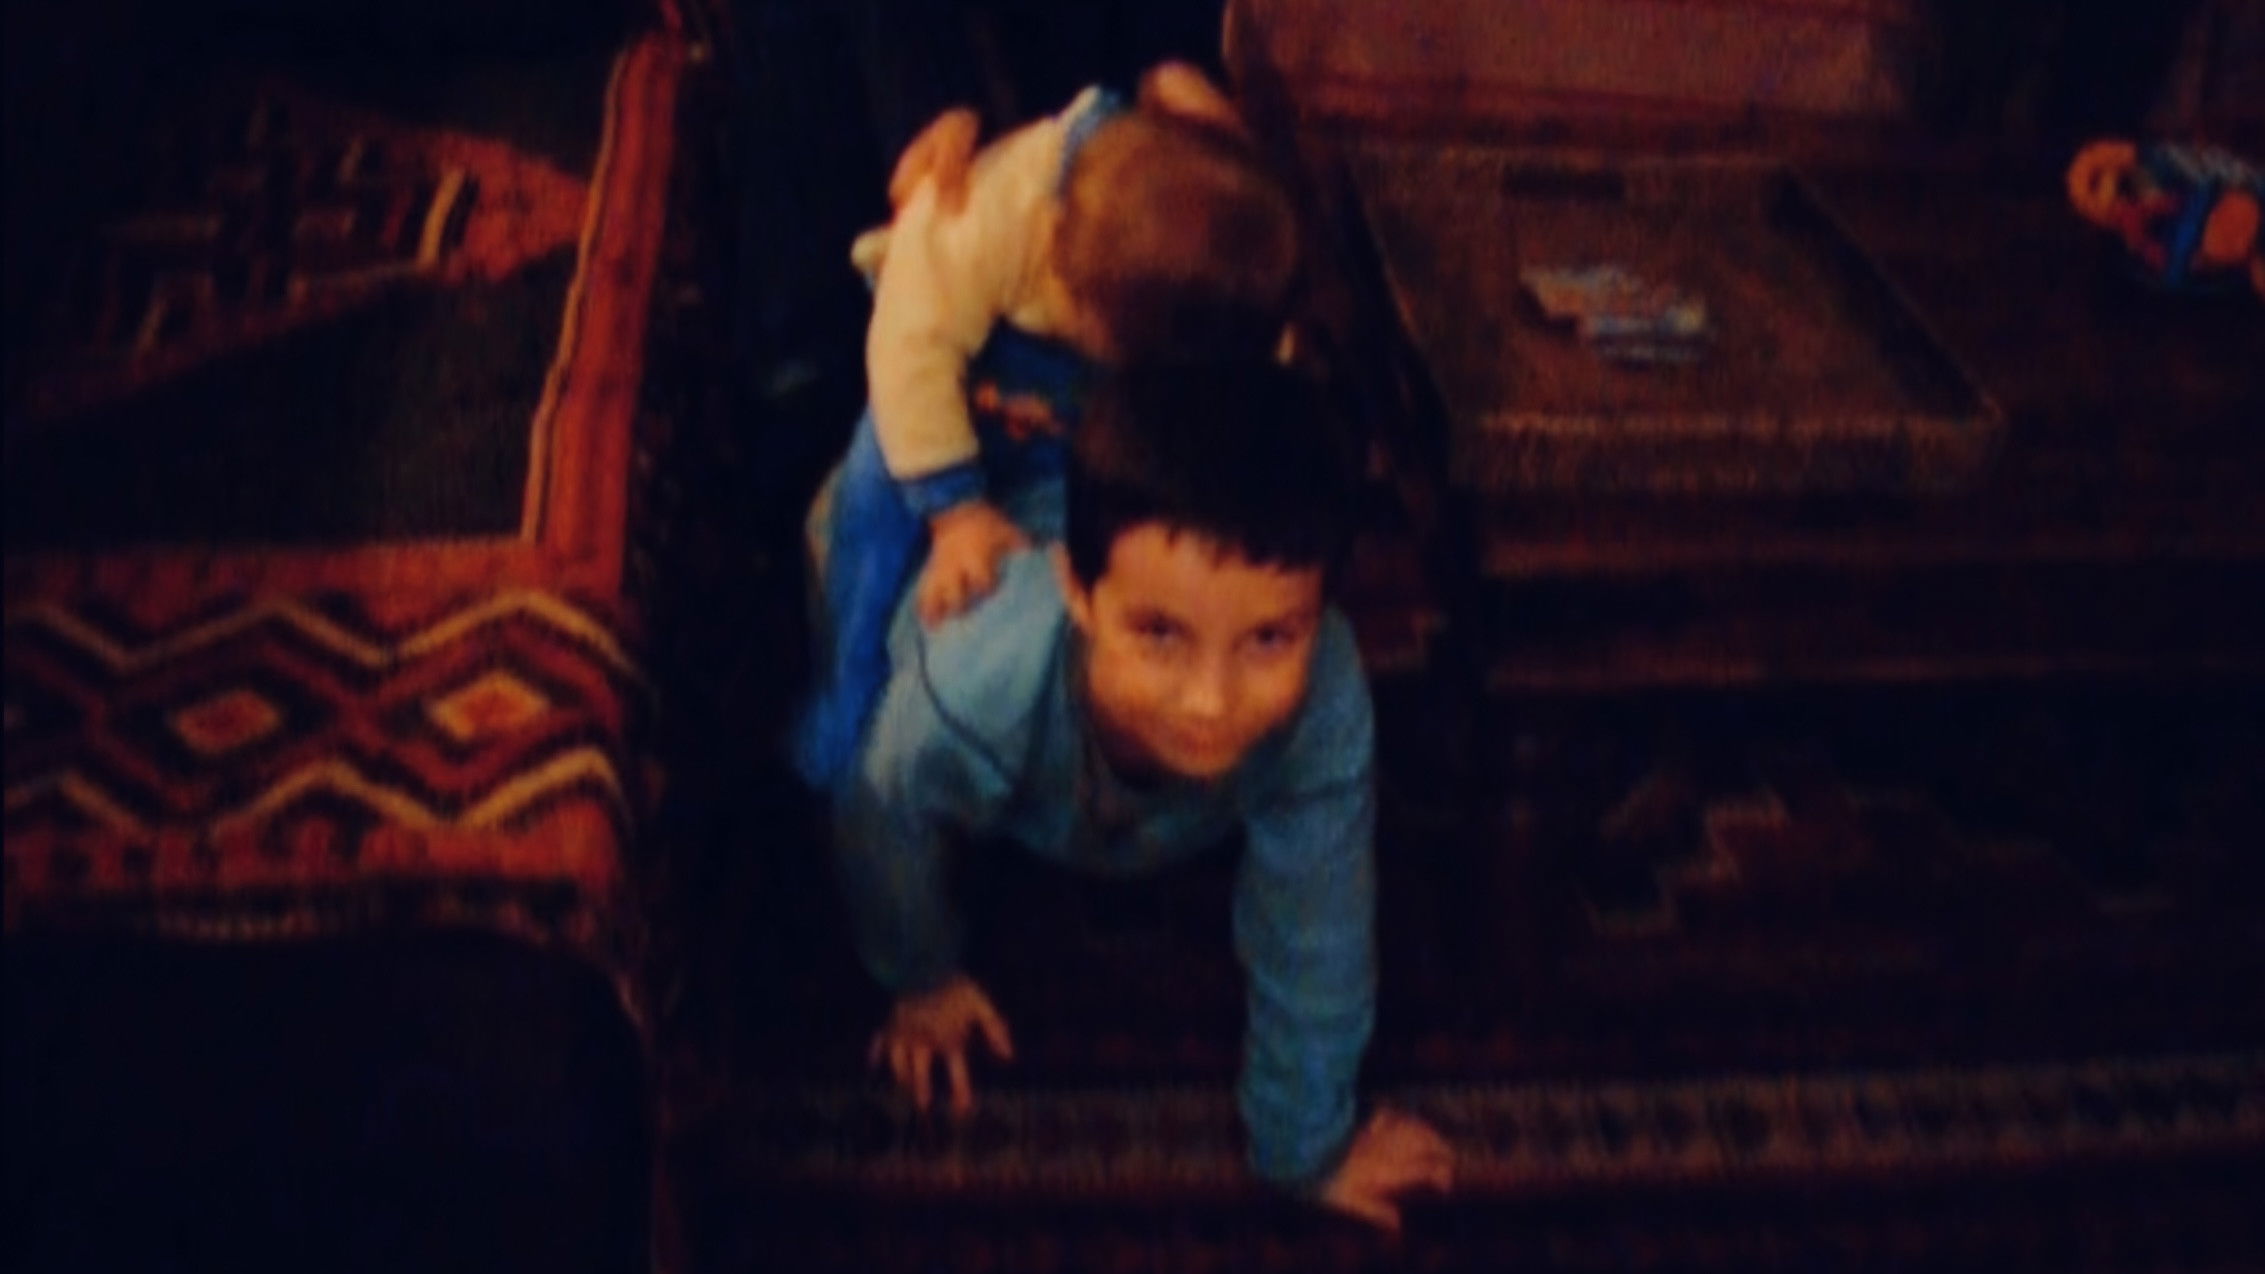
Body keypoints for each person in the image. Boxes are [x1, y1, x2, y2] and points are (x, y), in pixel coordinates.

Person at [821, 360, 1455, 1232]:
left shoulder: (1326, 693)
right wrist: (919, 974)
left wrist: (1304, 1146)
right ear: (1077, 596)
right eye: (1160, 635)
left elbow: (1318, 919)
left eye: (1270, 638)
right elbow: (879, 810)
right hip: (936, 620)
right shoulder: (970, 691)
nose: (1210, 702)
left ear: (1323, 615)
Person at [790, 61, 1304, 791]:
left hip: (1067, 423)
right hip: (944, 388)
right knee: (869, 520)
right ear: (1064, 266)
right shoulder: (989, 212)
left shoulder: (1226, 272)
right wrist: (955, 513)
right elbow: (909, 349)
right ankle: (848, 688)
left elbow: (1258, 364)